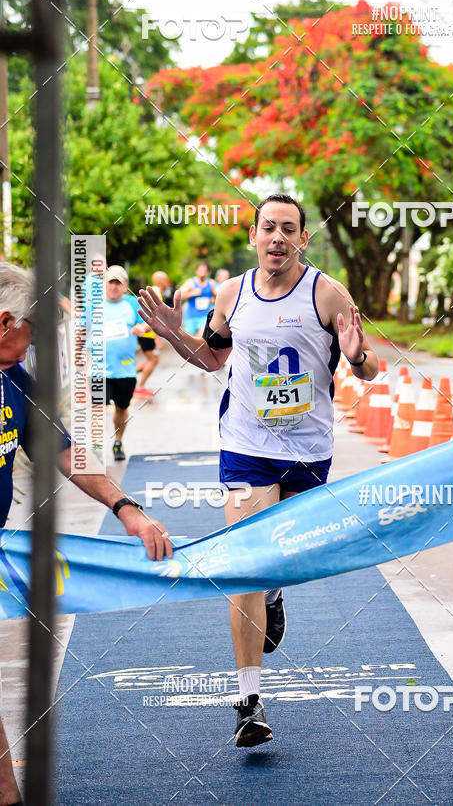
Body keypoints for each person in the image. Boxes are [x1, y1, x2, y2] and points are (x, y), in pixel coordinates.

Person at [138, 193, 378, 748]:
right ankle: (249, 702)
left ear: (302, 239)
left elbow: (369, 369)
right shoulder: (231, 294)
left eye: (288, 229)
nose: (277, 237)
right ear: (253, 236)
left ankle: (273, 594)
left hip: (307, 450)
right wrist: (174, 334)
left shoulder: (328, 294)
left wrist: (356, 354)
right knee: (245, 561)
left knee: (281, 558)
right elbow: (210, 358)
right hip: (245, 443)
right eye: (268, 227)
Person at [0, 262, 172, 804]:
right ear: (5, 322)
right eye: (33, 330)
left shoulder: (14, 381)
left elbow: (66, 452)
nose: (36, 344)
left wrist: (126, 508)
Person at [93, 266, 149, 461]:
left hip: (125, 369)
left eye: (118, 283)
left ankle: (118, 442)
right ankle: (97, 446)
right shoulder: (95, 305)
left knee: (121, 409)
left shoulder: (133, 303)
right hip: (99, 368)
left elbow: (150, 321)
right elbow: (83, 329)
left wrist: (142, 327)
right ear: (105, 284)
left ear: (125, 286)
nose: (114, 286)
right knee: (97, 407)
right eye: (111, 282)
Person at [179, 262, 217, 335]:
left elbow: (220, 294)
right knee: (189, 338)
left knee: (202, 336)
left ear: (208, 272)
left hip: (205, 316)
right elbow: (179, 295)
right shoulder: (191, 283)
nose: (202, 273)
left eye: (204, 271)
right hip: (191, 316)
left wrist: (214, 298)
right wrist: (193, 293)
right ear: (196, 271)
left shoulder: (211, 283)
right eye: (200, 270)